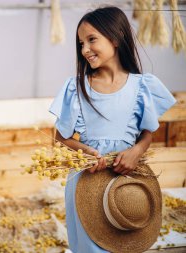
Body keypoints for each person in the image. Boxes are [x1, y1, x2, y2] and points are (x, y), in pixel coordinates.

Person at [49, 6, 176, 253]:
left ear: (116, 38)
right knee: (91, 246)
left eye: (92, 39)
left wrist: (136, 152)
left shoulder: (142, 86)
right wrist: (84, 151)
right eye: (81, 43)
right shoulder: (77, 87)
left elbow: (147, 133)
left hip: (127, 179)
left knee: (125, 239)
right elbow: (60, 137)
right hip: (87, 181)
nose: (84, 49)